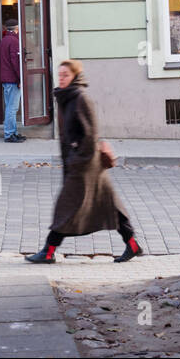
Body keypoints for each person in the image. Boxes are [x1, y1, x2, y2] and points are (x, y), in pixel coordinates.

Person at [25, 60, 144, 263]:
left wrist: (78, 160)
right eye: (59, 74)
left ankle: (48, 251)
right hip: (83, 164)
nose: (61, 78)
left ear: (75, 77)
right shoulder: (66, 98)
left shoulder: (80, 98)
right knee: (110, 205)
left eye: (65, 75)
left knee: (65, 206)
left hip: (84, 165)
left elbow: (91, 133)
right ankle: (132, 245)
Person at [0, 20, 25, 143]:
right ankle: (9, 134)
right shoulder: (14, 41)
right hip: (12, 79)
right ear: (16, 28)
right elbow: (16, 62)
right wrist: (21, 78)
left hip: (6, 78)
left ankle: (13, 132)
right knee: (12, 108)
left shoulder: (4, 40)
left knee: (10, 107)